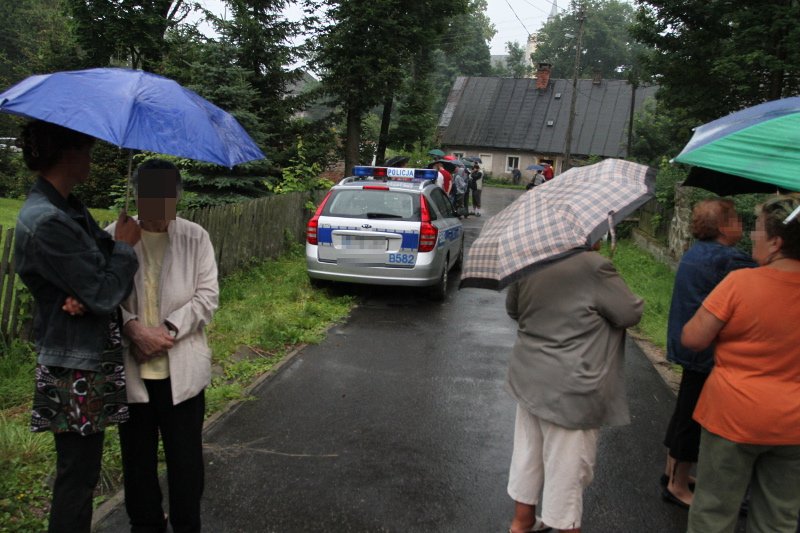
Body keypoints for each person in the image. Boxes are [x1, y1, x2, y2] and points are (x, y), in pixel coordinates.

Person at [14, 120, 141, 533]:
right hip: (75, 368)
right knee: (77, 477)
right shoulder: (46, 219)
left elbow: (95, 279)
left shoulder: (68, 208)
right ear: (68, 154)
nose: (90, 158)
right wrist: (123, 247)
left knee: (83, 474)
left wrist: (85, 290)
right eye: (86, 150)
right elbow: (105, 291)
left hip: (88, 357)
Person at [107, 159, 219, 533]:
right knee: (137, 465)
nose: (157, 204)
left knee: (186, 463)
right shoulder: (115, 238)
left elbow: (207, 298)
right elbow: (104, 298)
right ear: (136, 195)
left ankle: (187, 526)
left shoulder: (195, 237)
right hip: (132, 371)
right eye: (149, 194)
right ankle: (146, 525)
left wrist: (166, 330)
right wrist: (134, 329)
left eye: (165, 195)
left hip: (182, 371)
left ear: (177, 197)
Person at [505, 242, 644, 533]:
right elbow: (629, 313)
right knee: (566, 477)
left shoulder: (530, 259)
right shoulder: (595, 266)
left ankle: (522, 523)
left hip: (530, 378)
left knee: (527, 456)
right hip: (571, 390)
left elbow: (513, 309)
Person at [683, 195, 800, 533]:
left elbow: (693, 338)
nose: (752, 235)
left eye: (759, 229)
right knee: (779, 518)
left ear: (776, 242)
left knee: (714, 513)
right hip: (793, 425)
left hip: (732, 417)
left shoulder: (740, 283)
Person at [661, 199, 755, 509]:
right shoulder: (728, 259)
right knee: (693, 416)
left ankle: (672, 472)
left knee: (684, 410)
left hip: (686, 341)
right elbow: (764, 278)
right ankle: (677, 485)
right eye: (738, 220)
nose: (742, 226)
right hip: (706, 350)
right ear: (724, 226)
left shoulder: (696, 252)